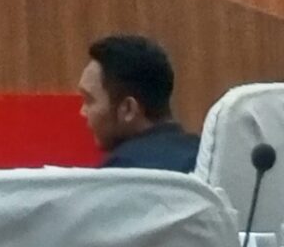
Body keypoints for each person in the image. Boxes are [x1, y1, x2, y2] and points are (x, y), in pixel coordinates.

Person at [79, 33, 199, 170]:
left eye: (89, 100)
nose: (83, 111)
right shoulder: (206, 156)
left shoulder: (121, 169)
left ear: (128, 109)